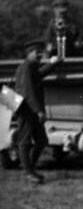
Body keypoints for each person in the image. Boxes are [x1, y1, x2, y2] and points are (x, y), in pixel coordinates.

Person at [12, 37, 62, 183]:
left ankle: (30, 169)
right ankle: (28, 172)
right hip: (26, 110)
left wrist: (53, 64)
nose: (40, 55)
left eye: (41, 52)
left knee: (42, 140)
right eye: (37, 52)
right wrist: (39, 111)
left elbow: (40, 75)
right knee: (24, 141)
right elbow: (28, 92)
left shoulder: (31, 67)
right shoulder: (26, 67)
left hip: (32, 110)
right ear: (29, 53)